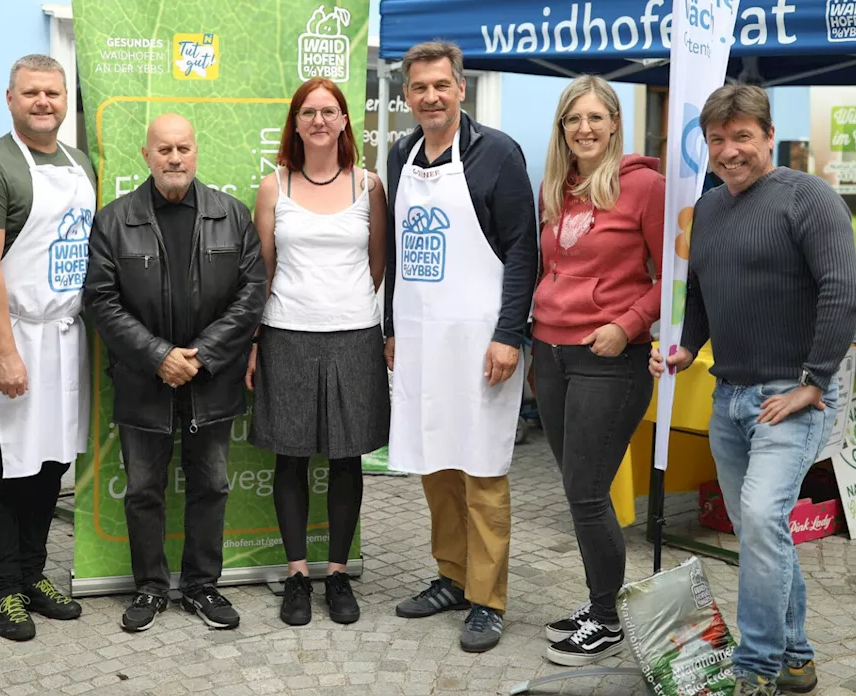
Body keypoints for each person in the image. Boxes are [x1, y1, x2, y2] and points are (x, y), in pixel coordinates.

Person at [651, 84, 856, 696]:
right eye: (717, 139)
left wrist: (812, 381)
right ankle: (797, 654)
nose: (729, 150)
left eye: (742, 136)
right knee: (758, 532)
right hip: (729, 397)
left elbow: (843, 293)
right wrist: (688, 347)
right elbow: (702, 294)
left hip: (786, 400)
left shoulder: (809, 198)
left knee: (764, 524)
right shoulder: (710, 210)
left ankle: (757, 671)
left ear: (769, 136)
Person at [384, 41, 538, 653]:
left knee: (481, 467)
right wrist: (391, 329)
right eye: (419, 88)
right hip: (421, 336)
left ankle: (487, 598)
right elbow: (398, 251)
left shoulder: (497, 154)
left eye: (441, 85)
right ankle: (450, 575)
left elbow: (524, 250)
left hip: (480, 340)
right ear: (406, 96)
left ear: (461, 88)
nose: (431, 97)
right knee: (435, 462)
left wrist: (509, 334)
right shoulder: (401, 155)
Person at [85, 113, 266, 633]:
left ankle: (202, 586)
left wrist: (201, 355)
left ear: (196, 152)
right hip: (145, 382)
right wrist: (159, 356)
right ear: (146, 156)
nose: (174, 158)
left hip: (211, 383)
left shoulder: (231, 215)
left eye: (182, 148)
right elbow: (101, 301)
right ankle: (149, 587)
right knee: (143, 489)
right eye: (163, 149)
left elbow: (251, 294)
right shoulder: (114, 220)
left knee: (211, 485)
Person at [530, 75, 665, 666]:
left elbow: (676, 280)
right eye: (572, 119)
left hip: (609, 360)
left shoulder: (647, 188)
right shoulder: (557, 188)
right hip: (550, 356)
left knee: (586, 493)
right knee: (578, 490)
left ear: (614, 122)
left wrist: (630, 324)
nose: (584, 129)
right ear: (562, 129)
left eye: (595, 118)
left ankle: (607, 619)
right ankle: (599, 602)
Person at [246, 78, 388, 626]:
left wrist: (344, 303)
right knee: (292, 457)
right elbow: (264, 269)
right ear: (296, 122)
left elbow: (377, 265)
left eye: (330, 111)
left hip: (354, 333)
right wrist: (257, 340)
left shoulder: (367, 184)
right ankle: (298, 575)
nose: (320, 121)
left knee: (347, 457)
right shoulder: (273, 186)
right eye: (309, 112)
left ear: (346, 120)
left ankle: (337, 574)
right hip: (287, 331)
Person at [0, 54, 90, 642]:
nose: (44, 102)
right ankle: (2, 587)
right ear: (10, 99)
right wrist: (6, 352)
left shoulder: (79, 162)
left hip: (67, 334)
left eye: (54, 93)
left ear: (66, 101)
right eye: (32, 93)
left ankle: (34, 574)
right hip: (14, 335)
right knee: (9, 465)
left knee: (52, 460)